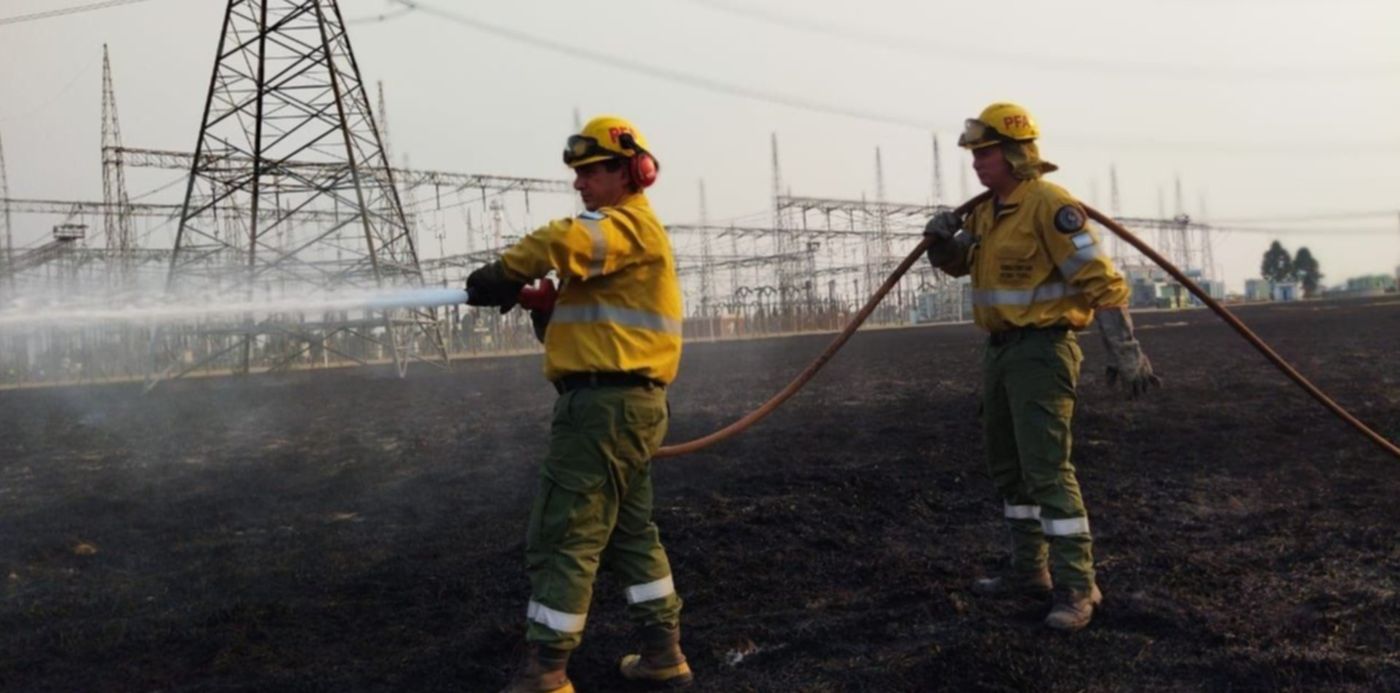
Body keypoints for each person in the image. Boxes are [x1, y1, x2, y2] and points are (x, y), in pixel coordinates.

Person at [465, 115, 691, 691]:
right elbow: (588, 334)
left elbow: (561, 239)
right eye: (578, 173)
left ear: (633, 171)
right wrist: (545, 307)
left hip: (601, 411)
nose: (580, 183)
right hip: (624, 408)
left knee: (565, 534)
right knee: (631, 534)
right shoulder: (618, 245)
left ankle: (546, 672)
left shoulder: (623, 227)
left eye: (592, 171)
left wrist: (501, 272)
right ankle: (664, 655)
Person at [924, 102, 1160, 632]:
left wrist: (1125, 349)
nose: (976, 163)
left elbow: (1102, 281)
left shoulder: (1051, 206)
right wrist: (942, 243)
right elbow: (963, 264)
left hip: (1041, 351)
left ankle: (1077, 586)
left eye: (984, 154)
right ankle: (1029, 570)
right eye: (975, 154)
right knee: (1008, 467)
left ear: (1014, 153)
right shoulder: (987, 212)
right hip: (1001, 351)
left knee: (1048, 470)